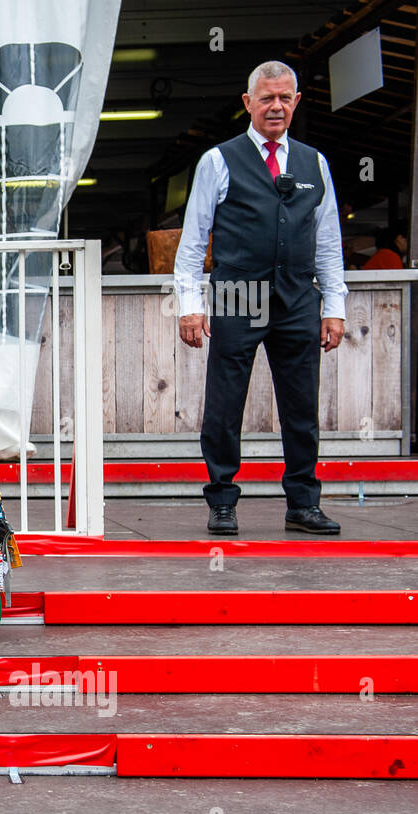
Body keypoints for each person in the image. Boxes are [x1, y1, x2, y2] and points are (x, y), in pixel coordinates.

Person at [174, 60, 347, 536]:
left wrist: (334, 306)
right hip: (237, 292)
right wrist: (190, 303)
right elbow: (193, 239)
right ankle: (223, 501)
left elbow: (328, 239)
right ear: (248, 103)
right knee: (226, 403)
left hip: (297, 295)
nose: (276, 106)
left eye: (285, 97)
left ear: (296, 103)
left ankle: (303, 504)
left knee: (301, 405)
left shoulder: (315, 163)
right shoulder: (218, 159)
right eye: (267, 97)